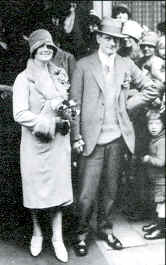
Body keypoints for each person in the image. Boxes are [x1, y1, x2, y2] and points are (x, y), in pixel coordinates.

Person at [70, 17, 160, 256]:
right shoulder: (83, 65)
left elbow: (152, 87)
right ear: (99, 37)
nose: (112, 43)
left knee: (111, 191)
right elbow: (74, 105)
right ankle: (80, 234)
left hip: (117, 138)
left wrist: (128, 105)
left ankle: (105, 229)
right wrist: (76, 137)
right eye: (108, 38)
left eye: (117, 40)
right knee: (86, 194)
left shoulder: (126, 63)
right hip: (91, 139)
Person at [12, 29, 74, 263]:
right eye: (42, 47)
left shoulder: (59, 74)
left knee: (57, 190)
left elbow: (64, 105)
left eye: (50, 47)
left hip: (58, 143)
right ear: (34, 50)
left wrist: (67, 114)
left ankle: (57, 238)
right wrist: (47, 122)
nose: (47, 50)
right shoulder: (23, 78)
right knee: (36, 190)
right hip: (35, 143)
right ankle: (37, 233)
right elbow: (19, 113)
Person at [141, 108, 165, 240]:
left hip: (162, 180)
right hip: (156, 179)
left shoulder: (162, 141)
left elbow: (162, 162)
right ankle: (157, 224)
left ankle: (162, 229)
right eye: (151, 124)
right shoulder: (155, 138)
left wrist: (149, 158)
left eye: (157, 124)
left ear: (163, 125)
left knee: (162, 204)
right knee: (158, 203)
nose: (153, 127)